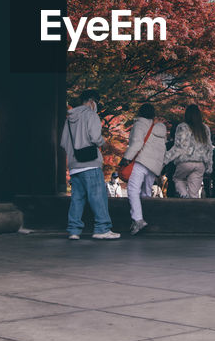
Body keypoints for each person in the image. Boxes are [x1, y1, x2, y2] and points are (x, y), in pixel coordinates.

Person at [59, 89, 120, 240]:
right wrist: (103, 143)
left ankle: (74, 230)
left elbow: (63, 142)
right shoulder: (91, 115)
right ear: (92, 101)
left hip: (74, 165)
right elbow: (95, 137)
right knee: (98, 197)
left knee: (77, 198)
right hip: (91, 163)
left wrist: (74, 155)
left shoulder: (69, 118)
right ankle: (102, 228)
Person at [122, 103, 169, 235]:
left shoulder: (139, 124)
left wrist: (127, 158)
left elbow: (137, 143)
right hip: (154, 165)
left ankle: (138, 219)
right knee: (146, 193)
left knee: (132, 189)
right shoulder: (159, 129)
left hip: (141, 161)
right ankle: (150, 220)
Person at [164, 104, 212, 198]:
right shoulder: (205, 128)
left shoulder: (182, 127)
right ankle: (193, 210)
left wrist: (165, 160)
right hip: (200, 164)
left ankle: (184, 195)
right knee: (194, 193)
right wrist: (209, 166)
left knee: (178, 179)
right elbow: (209, 148)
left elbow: (179, 147)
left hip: (185, 162)